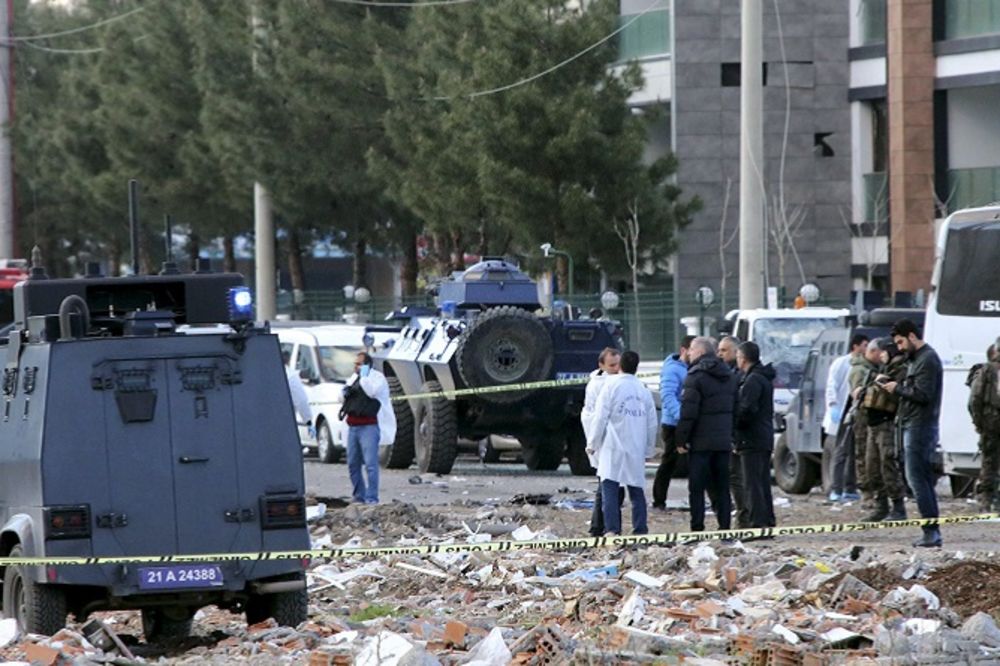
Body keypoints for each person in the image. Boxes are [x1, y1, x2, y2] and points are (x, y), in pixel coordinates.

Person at [882, 319, 943, 547]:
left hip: (920, 426)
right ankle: (930, 531)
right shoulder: (916, 359)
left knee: (918, 479)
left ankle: (931, 532)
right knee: (918, 479)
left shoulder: (927, 359)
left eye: (900, 342)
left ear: (911, 336)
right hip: (912, 424)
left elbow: (923, 395)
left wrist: (896, 389)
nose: (899, 348)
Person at [587, 350, 658, 535]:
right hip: (636, 445)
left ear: (620, 365)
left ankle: (612, 530)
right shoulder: (643, 390)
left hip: (613, 445)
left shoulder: (610, 388)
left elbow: (600, 418)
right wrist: (649, 448)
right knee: (636, 490)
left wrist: (592, 443)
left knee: (609, 489)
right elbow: (652, 422)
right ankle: (640, 529)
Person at [675, 337, 738, 533]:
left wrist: (681, 439)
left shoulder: (695, 376)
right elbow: (735, 408)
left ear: (700, 352)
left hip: (700, 442)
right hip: (722, 441)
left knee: (697, 488)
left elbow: (689, 412)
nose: (688, 353)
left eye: (692, 350)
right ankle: (724, 527)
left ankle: (697, 528)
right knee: (722, 487)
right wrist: (731, 435)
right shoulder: (728, 375)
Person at [859, 338, 908, 521]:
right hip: (874, 424)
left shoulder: (899, 369)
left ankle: (898, 507)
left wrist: (883, 384)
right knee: (872, 467)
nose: (881, 355)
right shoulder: (883, 370)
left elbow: (897, 396)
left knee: (887, 465)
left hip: (886, 424)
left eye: (884, 352)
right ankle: (881, 505)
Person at [340, 352, 397, 505]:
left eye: (359, 364)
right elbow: (343, 398)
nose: (356, 367)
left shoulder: (377, 378)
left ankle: (372, 498)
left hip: (369, 427)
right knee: (353, 463)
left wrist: (364, 377)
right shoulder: (353, 378)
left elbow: (371, 391)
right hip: (353, 427)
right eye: (355, 364)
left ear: (367, 365)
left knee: (371, 464)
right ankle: (359, 495)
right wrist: (345, 392)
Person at [734, 341, 776, 530]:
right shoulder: (762, 378)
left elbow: (747, 409)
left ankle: (757, 522)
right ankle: (766, 520)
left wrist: (736, 426)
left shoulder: (752, 381)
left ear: (743, 359)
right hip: (762, 435)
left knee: (752, 484)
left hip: (752, 437)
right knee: (761, 482)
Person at [582, 347, 623, 536]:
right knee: (609, 487)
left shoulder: (606, 382)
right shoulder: (602, 385)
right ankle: (604, 527)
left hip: (609, 441)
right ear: (601, 365)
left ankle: (598, 527)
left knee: (606, 486)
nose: (616, 368)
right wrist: (594, 443)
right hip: (606, 442)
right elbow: (598, 418)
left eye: (618, 364)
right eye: (612, 365)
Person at [653, 335, 696, 511]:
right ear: (684, 350)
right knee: (669, 463)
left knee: (693, 463)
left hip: (685, 421)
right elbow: (668, 396)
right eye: (693, 350)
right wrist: (682, 417)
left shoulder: (690, 368)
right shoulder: (672, 370)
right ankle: (659, 500)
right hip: (673, 424)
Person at [827, 334, 870, 502]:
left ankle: (850, 487)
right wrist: (833, 406)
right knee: (841, 451)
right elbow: (832, 385)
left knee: (854, 451)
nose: (866, 348)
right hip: (842, 411)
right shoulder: (841, 363)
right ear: (855, 346)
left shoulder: (863, 364)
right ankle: (836, 488)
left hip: (855, 412)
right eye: (864, 345)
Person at [718, 335, 747, 527]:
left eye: (724, 350)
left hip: (739, 436)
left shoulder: (737, 377)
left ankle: (744, 517)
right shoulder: (727, 373)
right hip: (729, 433)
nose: (720, 354)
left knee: (738, 478)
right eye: (719, 350)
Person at [967, 342, 1000, 511]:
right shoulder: (988, 370)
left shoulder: (987, 370)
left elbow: (975, 399)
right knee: (989, 462)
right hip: (991, 422)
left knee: (989, 463)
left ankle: (986, 500)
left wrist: (978, 422)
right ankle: (988, 499)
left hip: (990, 422)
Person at [848, 335, 879, 509]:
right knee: (863, 454)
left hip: (875, 417)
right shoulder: (860, 370)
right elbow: (856, 393)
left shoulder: (874, 368)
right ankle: (867, 493)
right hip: (863, 416)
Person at [283, 348, 314, 438]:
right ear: (288, 361)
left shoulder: (263, 374)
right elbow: (301, 401)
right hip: (285, 421)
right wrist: (308, 422)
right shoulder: (291, 376)